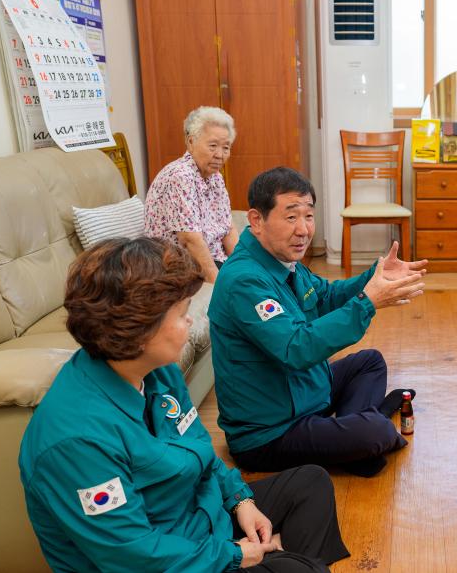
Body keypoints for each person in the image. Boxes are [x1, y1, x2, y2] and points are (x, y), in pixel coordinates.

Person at [18, 237, 349, 572]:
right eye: (181, 314)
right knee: (296, 569)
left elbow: (199, 449)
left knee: (311, 484)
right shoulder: (75, 440)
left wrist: (241, 500)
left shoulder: (157, 371)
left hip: (197, 521)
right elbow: (133, 555)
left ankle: (287, 559)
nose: (190, 322)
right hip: (165, 557)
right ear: (138, 330)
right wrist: (234, 555)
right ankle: (287, 560)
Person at [209, 167, 428, 478]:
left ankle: (352, 438)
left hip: (305, 397)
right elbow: (296, 348)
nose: (303, 229)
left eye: (308, 216)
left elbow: (325, 296)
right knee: (376, 430)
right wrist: (369, 301)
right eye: (291, 217)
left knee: (370, 362)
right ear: (256, 221)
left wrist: (375, 276)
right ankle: (360, 436)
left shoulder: (282, 260)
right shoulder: (245, 281)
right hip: (271, 433)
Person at [145, 106, 239, 282]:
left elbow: (228, 228)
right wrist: (218, 287)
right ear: (190, 142)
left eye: (226, 147)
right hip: (180, 264)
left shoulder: (215, 177)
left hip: (214, 257)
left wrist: (243, 266)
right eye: (212, 146)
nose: (220, 154)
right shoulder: (180, 176)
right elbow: (189, 240)